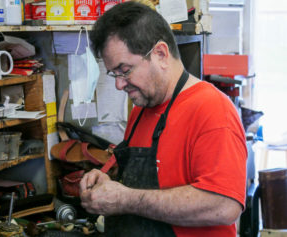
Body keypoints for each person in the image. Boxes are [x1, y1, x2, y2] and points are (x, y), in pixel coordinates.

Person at [80, 2, 247, 236]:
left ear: (160, 54)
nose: (118, 84)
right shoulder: (141, 108)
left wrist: (126, 199)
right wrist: (106, 180)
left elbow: (224, 206)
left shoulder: (212, 109)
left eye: (125, 70)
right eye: (113, 74)